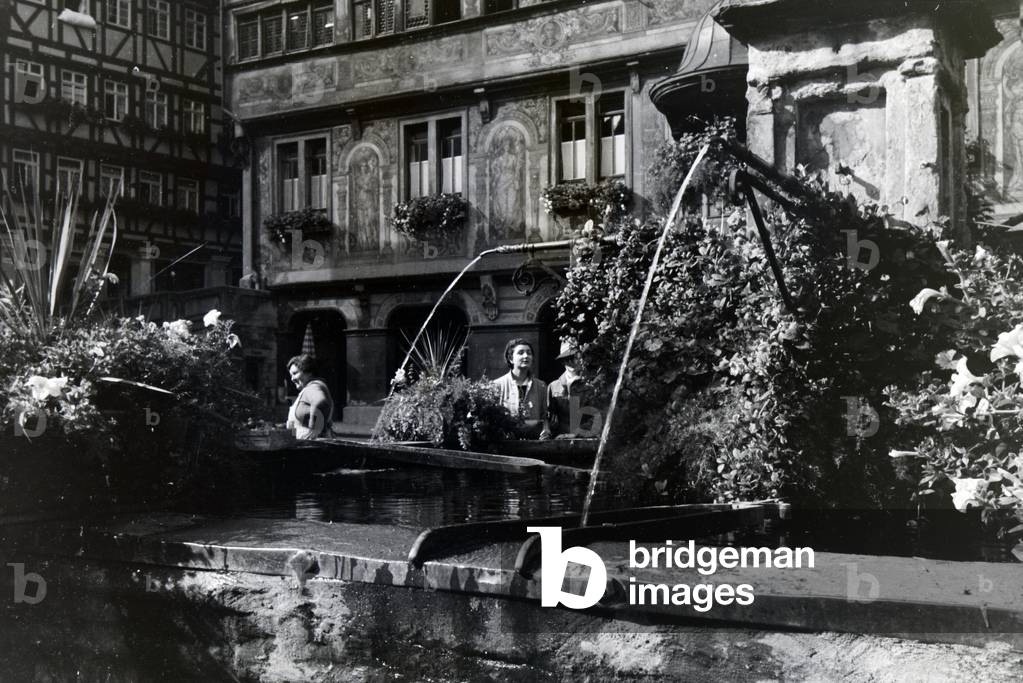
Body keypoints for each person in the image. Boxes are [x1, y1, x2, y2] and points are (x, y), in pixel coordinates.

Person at [491, 338, 551, 440]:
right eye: (520, 353)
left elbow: (545, 417)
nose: (526, 356)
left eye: (529, 353)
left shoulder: (541, 386)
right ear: (511, 359)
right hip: (506, 444)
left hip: (534, 443)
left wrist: (545, 432)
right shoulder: (497, 385)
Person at [547, 340, 601, 439]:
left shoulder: (590, 386)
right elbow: (548, 418)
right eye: (566, 358)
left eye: (574, 357)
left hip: (584, 440)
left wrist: (576, 433)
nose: (570, 362)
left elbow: (596, 417)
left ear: (581, 358)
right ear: (562, 361)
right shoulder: (553, 386)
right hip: (559, 441)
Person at [285, 354, 334, 440]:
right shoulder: (308, 388)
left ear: (308, 372)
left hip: (310, 445)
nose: (292, 379)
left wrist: (313, 429)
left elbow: (320, 401)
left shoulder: (313, 387)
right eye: (291, 375)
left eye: (295, 373)